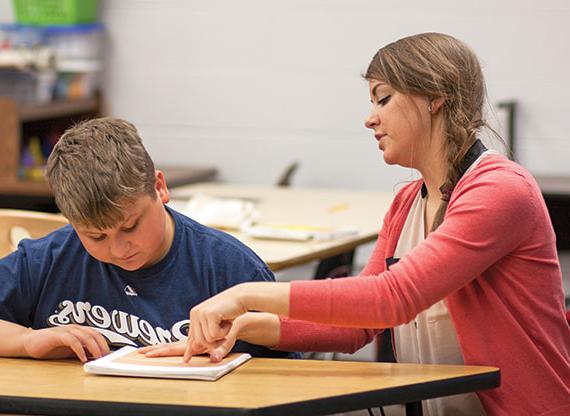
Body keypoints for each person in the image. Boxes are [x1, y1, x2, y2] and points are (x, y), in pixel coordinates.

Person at [144, 33, 570, 415]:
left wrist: (244, 295)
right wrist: (242, 329)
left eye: (383, 99)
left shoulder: (498, 189)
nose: (370, 119)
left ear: (435, 97)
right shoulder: (407, 201)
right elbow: (358, 325)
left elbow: (391, 298)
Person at [0, 117, 296, 363]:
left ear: (159, 187)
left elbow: (289, 379)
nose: (118, 249)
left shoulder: (230, 269)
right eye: (96, 236)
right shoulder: (47, 261)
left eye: (130, 226)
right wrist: (27, 340)